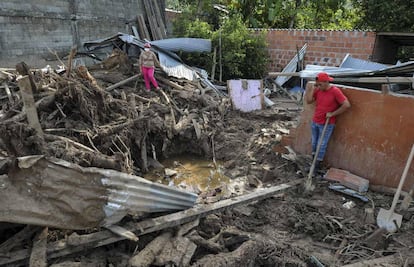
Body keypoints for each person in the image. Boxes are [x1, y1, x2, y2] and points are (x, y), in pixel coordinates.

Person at [305, 72, 351, 173]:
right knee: (314, 143)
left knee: (321, 144)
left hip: (327, 123)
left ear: (326, 82)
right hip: (315, 121)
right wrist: (313, 89)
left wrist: (333, 114)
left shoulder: (335, 91)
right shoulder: (318, 90)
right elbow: (308, 101)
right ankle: (313, 162)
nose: (319, 86)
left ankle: (316, 166)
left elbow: (346, 105)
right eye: (317, 84)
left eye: (320, 84)